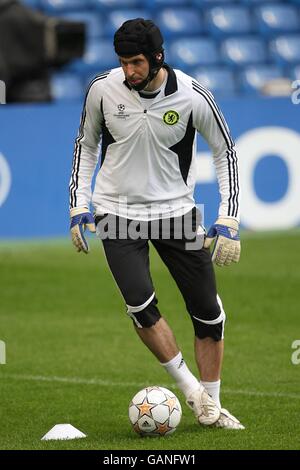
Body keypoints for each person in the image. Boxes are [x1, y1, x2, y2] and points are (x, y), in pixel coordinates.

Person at [69, 18, 243, 430]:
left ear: (158, 58)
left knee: (208, 315)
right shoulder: (102, 89)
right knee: (141, 308)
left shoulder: (192, 95)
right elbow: (85, 144)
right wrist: (79, 205)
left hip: (175, 213)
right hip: (117, 213)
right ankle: (193, 393)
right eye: (123, 62)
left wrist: (229, 216)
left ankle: (212, 405)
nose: (128, 71)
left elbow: (226, 152)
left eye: (136, 62)